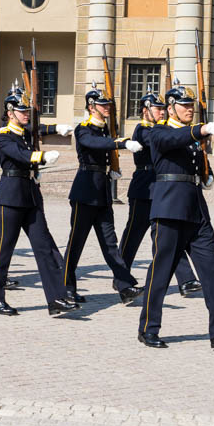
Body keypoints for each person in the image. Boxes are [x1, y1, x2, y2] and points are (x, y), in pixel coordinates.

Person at [136, 83, 214, 350]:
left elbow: (195, 160)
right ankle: (148, 327)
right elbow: (171, 141)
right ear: (171, 107)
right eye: (184, 105)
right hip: (169, 208)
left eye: (191, 105)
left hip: (196, 209)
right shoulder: (159, 131)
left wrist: (207, 175)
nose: (190, 109)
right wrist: (203, 130)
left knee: (212, 270)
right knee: (161, 271)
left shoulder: (191, 137)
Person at [0, 87, 79, 317]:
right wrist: (42, 157)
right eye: (21, 111)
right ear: (10, 113)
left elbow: (38, 129)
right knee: (4, 250)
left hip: (30, 196)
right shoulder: (4, 135)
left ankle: (56, 298)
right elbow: (19, 155)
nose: (26, 114)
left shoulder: (26, 133)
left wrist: (56, 128)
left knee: (44, 247)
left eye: (27, 110)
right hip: (10, 197)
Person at [61, 83, 143, 304]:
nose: (107, 107)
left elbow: (105, 144)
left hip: (102, 192)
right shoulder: (84, 128)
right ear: (91, 106)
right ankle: (66, 287)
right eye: (102, 104)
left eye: (108, 104)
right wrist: (121, 143)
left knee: (110, 243)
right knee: (76, 243)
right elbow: (94, 143)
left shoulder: (105, 128)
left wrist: (113, 167)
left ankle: (125, 286)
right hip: (85, 192)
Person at [118, 89, 201, 298]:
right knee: (133, 236)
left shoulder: (163, 129)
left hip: (163, 190)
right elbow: (160, 140)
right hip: (144, 188)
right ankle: (121, 279)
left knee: (168, 236)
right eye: (157, 109)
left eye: (164, 109)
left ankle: (186, 280)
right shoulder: (145, 130)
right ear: (146, 111)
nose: (162, 113)